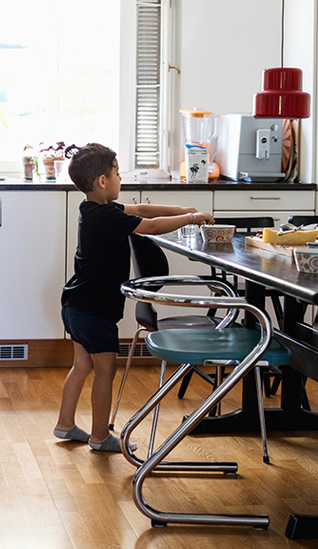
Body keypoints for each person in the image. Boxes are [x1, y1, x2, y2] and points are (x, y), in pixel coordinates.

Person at [54, 143, 214, 451]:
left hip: (76, 303)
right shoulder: (106, 217)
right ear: (102, 181)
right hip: (94, 310)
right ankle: (100, 436)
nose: (120, 178)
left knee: (82, 366)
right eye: (116, 172)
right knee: (105, 371)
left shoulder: (95, 210)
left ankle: (64, 424)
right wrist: (192, 221)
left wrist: (185, 211)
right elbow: (150, 226)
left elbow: (143, 210)